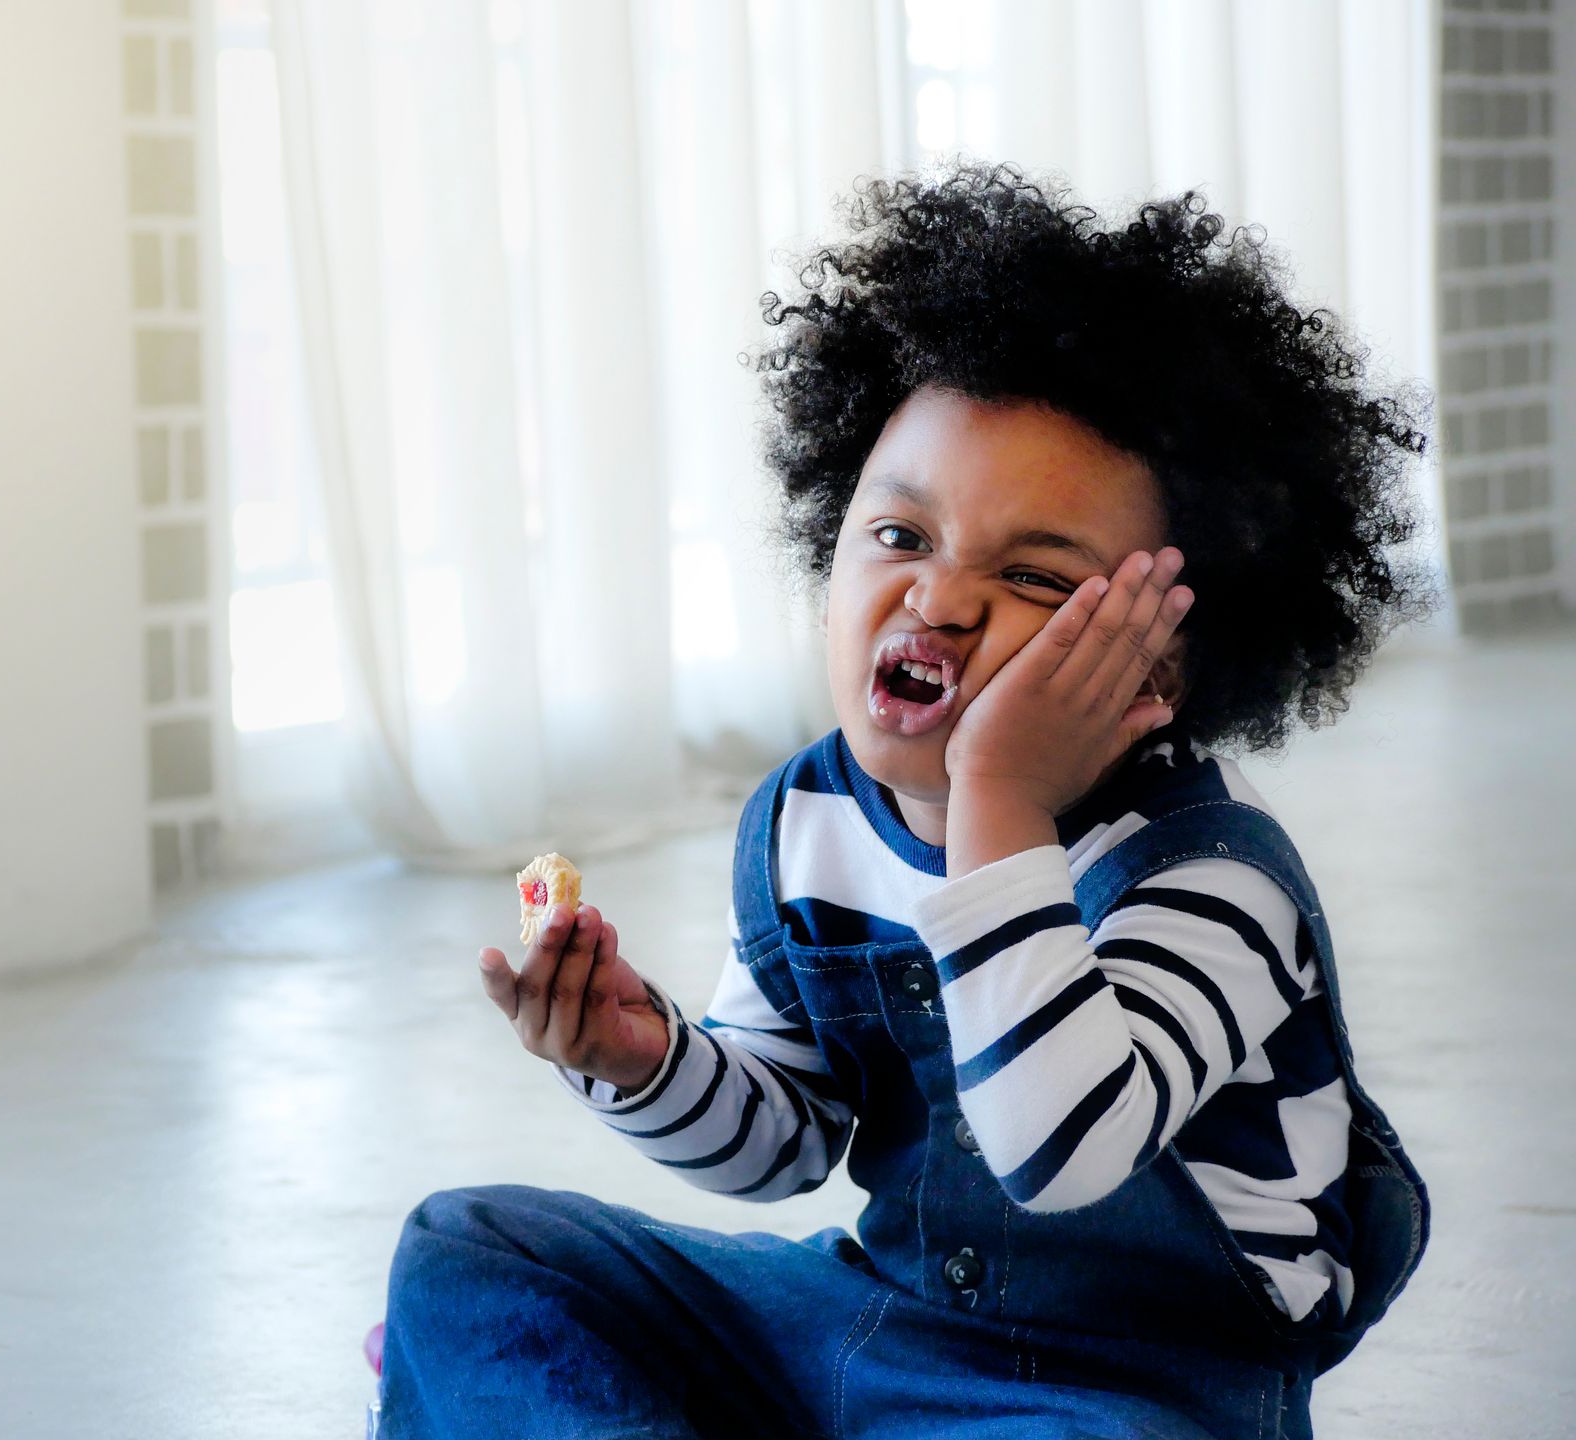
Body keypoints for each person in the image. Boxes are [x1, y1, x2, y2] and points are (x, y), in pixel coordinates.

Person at [375, 161, 1433, 1439]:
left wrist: (998, 793)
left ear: (1164, 663)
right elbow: (786, 1144)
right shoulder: (808, 823)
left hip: (1135, 1388)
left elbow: (1058, 1146)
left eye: (1037, 577)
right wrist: (639, 1059)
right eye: (900, 537)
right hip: (877, 1330)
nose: (939, 600)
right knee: (472, 1249)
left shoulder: (1211, 877)